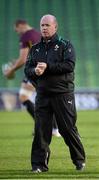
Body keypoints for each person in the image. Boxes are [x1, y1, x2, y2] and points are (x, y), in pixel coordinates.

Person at [24, 14, 86, 173]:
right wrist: (35, 71)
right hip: (43, 95)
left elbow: (69, 66)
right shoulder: (35, 48)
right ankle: (38, 165)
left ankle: (79, 160)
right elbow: (27, 69)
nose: (44, 28)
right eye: (42, 25)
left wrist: (47, 67)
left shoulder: (66, 45)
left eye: (47, 25)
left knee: (67, 129)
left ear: (55, 27)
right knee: (41, 131)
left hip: (63, 94)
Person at [3, 19, 41, 122]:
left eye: (17, 30)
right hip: (43, 68)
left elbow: (23, 59)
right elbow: (31, 56)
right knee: (44, 99)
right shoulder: (37, 34)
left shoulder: (26, 36)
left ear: (20, 25)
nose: (18, 33)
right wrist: (18, 62)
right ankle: (51, 128)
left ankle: (44, 125)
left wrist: (11, 70)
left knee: (24, 97)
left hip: (34, 70)